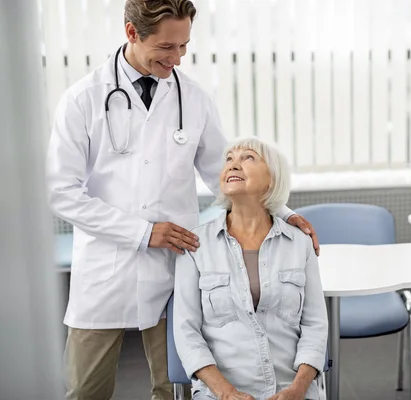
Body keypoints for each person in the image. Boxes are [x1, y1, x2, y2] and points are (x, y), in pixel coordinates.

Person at [45, 1, 318, 399]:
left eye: (184, 46)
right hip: (105, 268)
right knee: (85, 390)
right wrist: (142, 233)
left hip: (175, 269)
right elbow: (61, 192)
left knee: (174, 387)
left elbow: (224, 176)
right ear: (132, 33)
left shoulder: (192, 98)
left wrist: (284, 213)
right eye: (166, 48)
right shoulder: (82, 100)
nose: (176, 58)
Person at [173, 137, 329, 400]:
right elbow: (186, 332)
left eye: (248, 157)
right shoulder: (196, 245)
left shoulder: (300, 243)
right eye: (229, 159)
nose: (233, 165)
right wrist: (227, 393)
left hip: (292, 388)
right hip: (219, 393)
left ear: (272, 178)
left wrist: (297, 389)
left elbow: (315, 325)